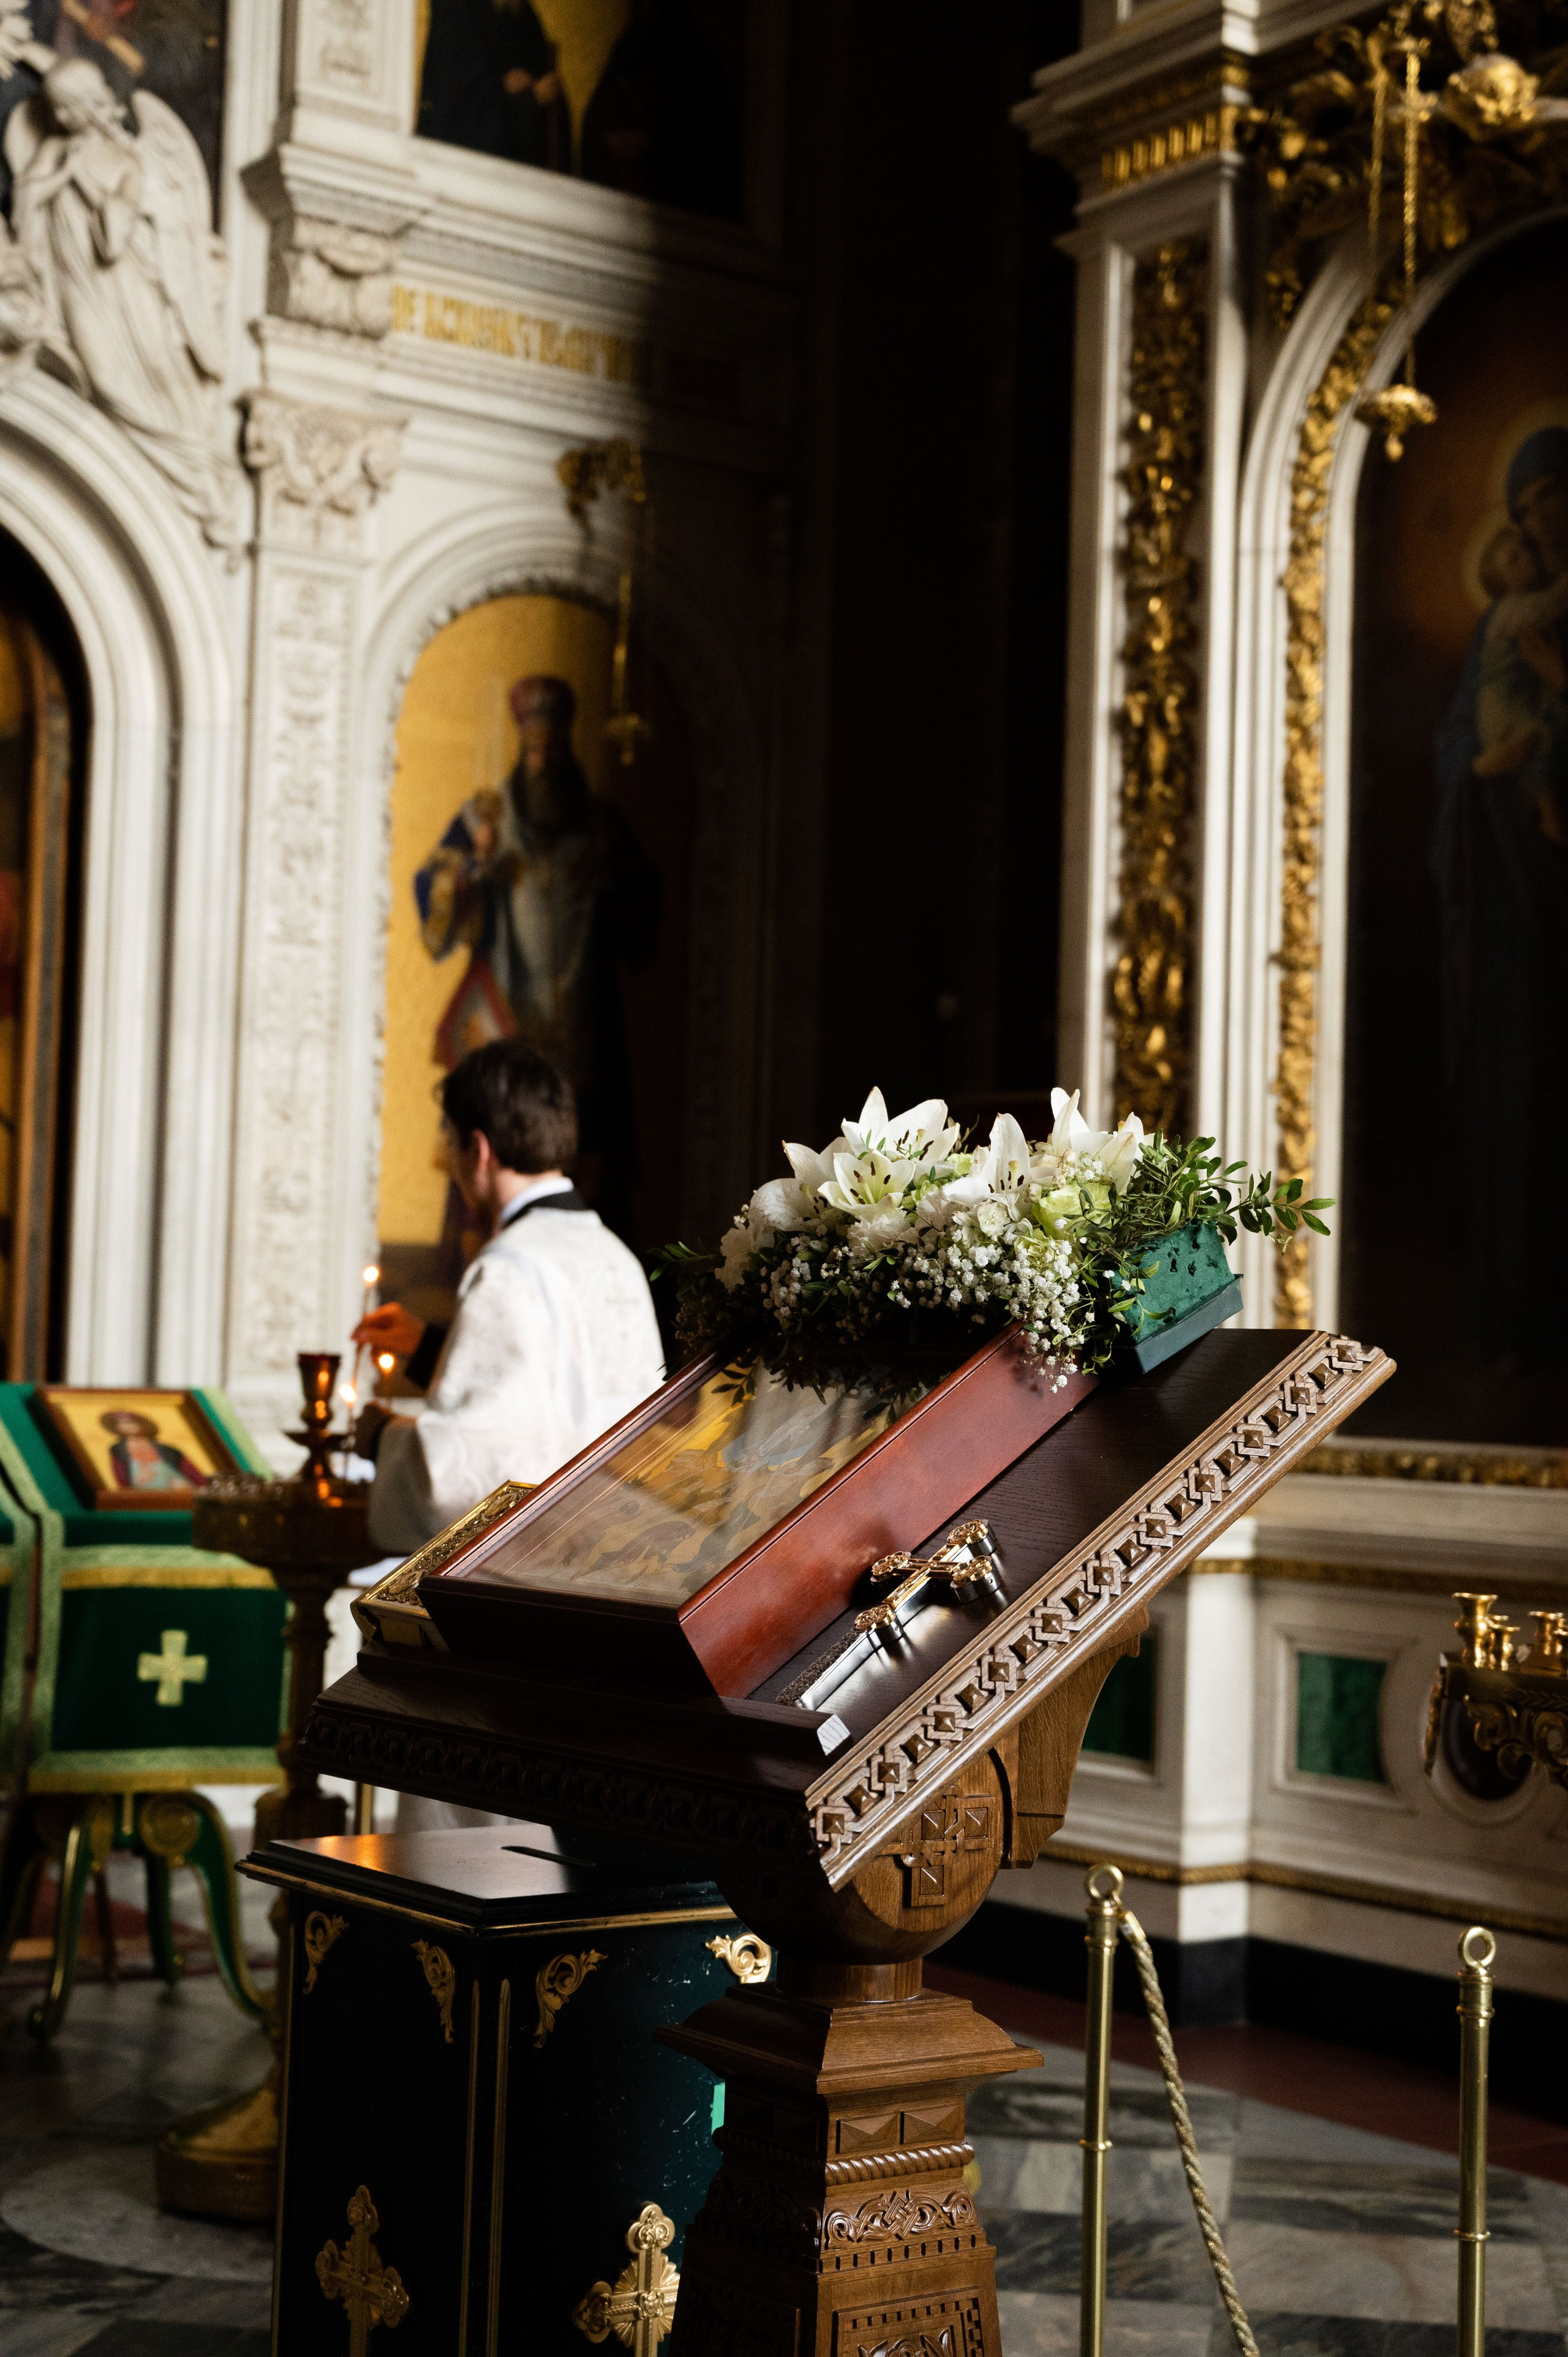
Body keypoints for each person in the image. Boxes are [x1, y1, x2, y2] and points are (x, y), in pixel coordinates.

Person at [353, 1038, 665, 1559]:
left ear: (478, 1150)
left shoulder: (506, 1267)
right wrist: (430, 1346)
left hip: (539, 1566)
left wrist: (381, 1438)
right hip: (620, 1549)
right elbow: (556, 1398)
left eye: (447, 1145)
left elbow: (466, 1477)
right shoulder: (614, 1255)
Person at [415, 672, 660, 1240]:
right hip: (506, 1021)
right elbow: (436, 901)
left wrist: (614, 874)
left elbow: (642, 921)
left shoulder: (600, 823)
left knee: (591, 1158)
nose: (543, 763)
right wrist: (473, 868)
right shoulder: (487, 820)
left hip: (584, 1028)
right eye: (532, 751)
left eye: (551, 750)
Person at [1431, 424, 1568, 1365]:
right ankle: (1512, 1311)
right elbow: (1454, 746)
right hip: (1517, 902)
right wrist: (1481, 767)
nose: (1541, 518)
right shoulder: (1504, 620)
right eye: (1524, 509)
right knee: (1517, 1094)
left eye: (1552, 496)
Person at [101, 1408, 205, 1492]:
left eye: (132, 1422)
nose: (128, 1426)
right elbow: (122, 1483)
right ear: (117, 1427)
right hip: (143, 1499)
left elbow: (195, 1476)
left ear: (143, 1425)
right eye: (123, 1423)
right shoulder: (119, 1451)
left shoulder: (168, 1450)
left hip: (179, 1495)